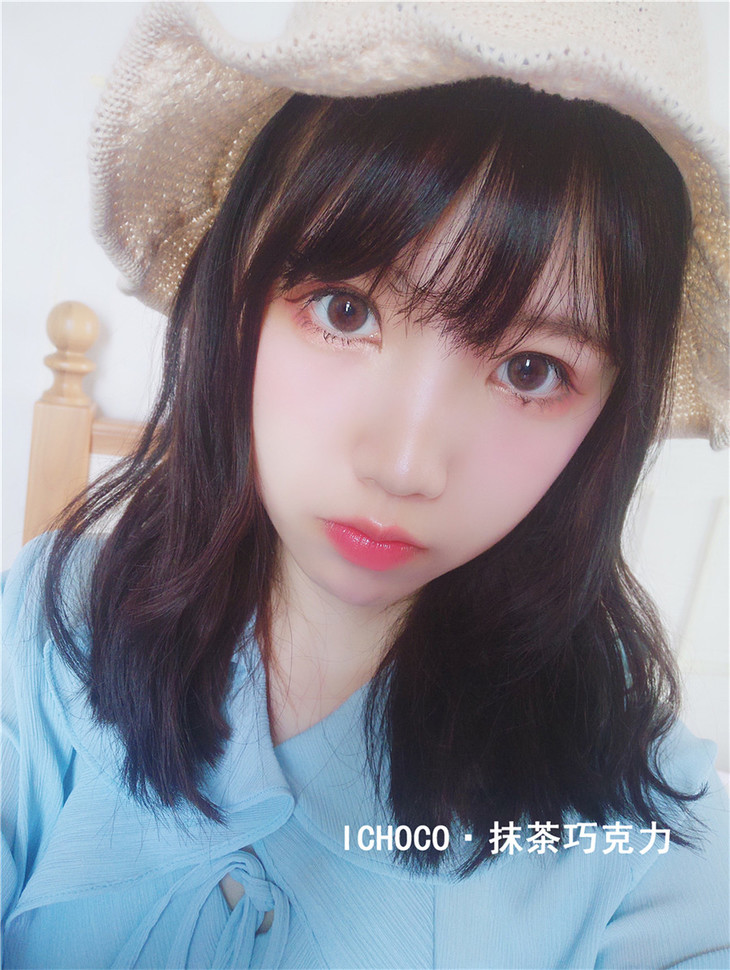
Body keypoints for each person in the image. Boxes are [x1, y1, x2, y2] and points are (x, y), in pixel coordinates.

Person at [2, 3, 728, 967]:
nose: (404, 466)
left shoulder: (644, 838)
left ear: (609, 418)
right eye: (345, 310)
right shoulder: (54, 627)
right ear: (236, 296)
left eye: (532, 370)